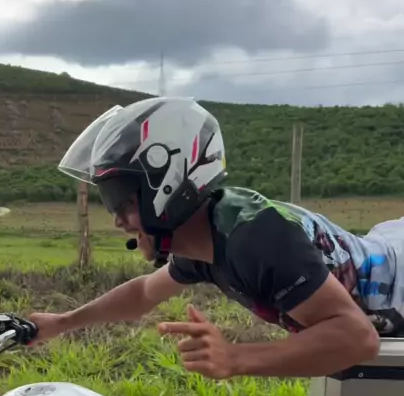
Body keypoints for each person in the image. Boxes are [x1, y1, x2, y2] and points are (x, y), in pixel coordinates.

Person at [28, 95, 404, 379]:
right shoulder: (205, 241)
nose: (117, 221)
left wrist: (236, 357)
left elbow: (357, 338)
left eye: (122, 201)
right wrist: (62, 322)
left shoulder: (254, 238)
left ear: (168, 184)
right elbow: (142, 294)